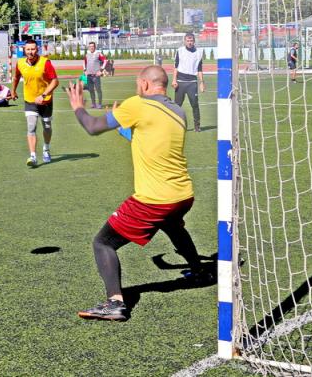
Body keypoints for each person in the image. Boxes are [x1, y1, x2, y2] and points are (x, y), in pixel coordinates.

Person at [65, 65, 206, 321]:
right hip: (183, 195)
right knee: (172, 225)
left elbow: (93, 127)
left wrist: (78, 106)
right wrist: (123, 129)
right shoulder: (178, 111)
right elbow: (151, 140)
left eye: (136, 84)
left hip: (155, 199)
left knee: (103, 243)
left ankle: (115, 303)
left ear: (144, 84)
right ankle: (198, 271)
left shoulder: (137, 105)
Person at [11, 38, 59, 167]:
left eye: (33, 49)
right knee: (31, 127)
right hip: (30, 100)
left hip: (46, 101)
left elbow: (55, 81)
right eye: (28, 49)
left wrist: (43, 95)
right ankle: (33, 156)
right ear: (24, 50)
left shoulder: (45, 63)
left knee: (47, 126)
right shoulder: (20, 63)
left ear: (37, 49)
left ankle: (46, 149)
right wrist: (13, 91)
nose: (30, 52)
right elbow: (16, 77)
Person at [172, 33, 206, 132]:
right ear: (185, 41)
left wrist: (202, 82)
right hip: (180, 81)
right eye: (188, 41)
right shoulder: (180, 51)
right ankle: (175, 125)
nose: (190, 42)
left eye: (191, 41)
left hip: (192, 82)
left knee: (195, 104)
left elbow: (199, 69)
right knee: (177, 105)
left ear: (194, 41)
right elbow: (176, 67)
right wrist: (174, 80)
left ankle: (197, 126)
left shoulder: (199, 52)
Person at [83, 42, 107, 109]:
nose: (91, 47)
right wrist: (85, 70)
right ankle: (93, 103)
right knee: (91, 90)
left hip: (96, 76)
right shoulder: (87, 54)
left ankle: (99, 104)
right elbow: (84, 63)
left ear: (95, 47)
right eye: (90, 46)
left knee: (98, 90)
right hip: (89, 76)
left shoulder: (98, 53)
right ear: (89, 47)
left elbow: (105, 61)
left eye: (92, 46)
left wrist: (101, 71)